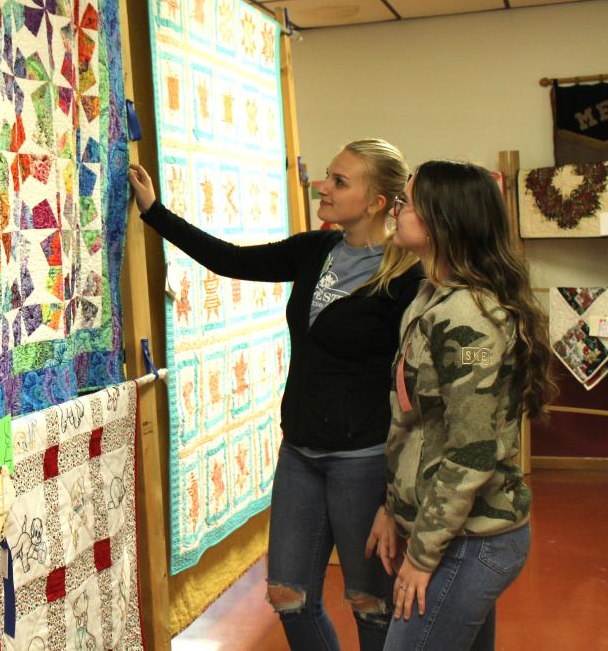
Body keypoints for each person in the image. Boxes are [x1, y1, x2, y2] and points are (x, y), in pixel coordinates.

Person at [130, 139, 422, 651]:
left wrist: (396, 495)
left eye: (340, 181)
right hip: (301, 453)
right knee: (290, 597)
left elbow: (414, 390)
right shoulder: (317, 249)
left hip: (364, 459)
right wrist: (156, 213)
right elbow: (229, 260)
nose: (322, 187)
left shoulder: (407, 277)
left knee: (370, 605)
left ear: (377, 202)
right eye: (327, 176)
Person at [374, 161, 557, 650]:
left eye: (406, 202)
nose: (396, 210)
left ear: (440, 221)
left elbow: (470, 452)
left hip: (469, 540)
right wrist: (391, 508)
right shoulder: (430, 297)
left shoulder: (466, 317)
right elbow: (413, 424)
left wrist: (422, 554)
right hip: (449, 531)